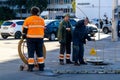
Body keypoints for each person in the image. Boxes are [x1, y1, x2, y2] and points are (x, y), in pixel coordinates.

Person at [22, 6, 45, 72]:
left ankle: (30, 68)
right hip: (40, 39)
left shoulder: (28, 19)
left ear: (31, 12)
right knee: (40, 53)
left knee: (31, 53)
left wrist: (23, 37)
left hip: (31, 39)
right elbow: (44, 29)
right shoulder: (41, 20)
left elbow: (25, 30)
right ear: (38, 12)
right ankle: (41, 67)